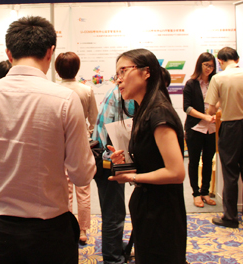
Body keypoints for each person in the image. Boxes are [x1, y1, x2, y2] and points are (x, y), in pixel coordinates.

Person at [0, 16, 95, 264]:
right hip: (50, 229)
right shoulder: (65, 99)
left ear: (8, 53)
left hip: (2, 227)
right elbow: (81, 175)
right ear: (50, 52)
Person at [109, 48, 186, 263]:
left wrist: (133, 177)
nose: (119, 79)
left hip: (162, 213)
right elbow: (152, 163)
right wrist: (126, 165)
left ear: (146, 72)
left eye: (124, 71)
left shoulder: (158, 112)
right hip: (148, 208)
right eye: (117, 74)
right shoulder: (144, 110)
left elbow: (176, 172)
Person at [205, 47, 243, 228]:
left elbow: (211, 110)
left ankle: (230, 217)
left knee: (230, 174)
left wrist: (222, 102)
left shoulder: (218, 78)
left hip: (230, 127)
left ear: (220, 61)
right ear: (237, 59)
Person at [55, 52, 98, 245]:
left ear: (57, 69)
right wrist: (87, 135)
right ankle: (83, 230)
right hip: (81, 142)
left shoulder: (54, 90)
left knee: (64, 188)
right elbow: (94, 119)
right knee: (83, 187)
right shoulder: (86, 90)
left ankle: (66, 226)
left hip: (58, 144)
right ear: (77, 68)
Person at [91, 85, 134, 264]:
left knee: (113, 210)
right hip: (109, 157)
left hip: (102, 154)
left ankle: (115, 248)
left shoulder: (117, 90)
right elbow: (124, 134)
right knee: (114, 213)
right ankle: (113, 258)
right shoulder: (126, 95)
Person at [183, 53, 217, 208]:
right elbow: (187, 107)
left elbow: (220, 101)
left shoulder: (215, 83)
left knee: (208, 161)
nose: (209, 68)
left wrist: (215, 114)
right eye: (206, 65)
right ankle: (196, 193)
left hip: (212, 128)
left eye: (212, 66)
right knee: (194, 161)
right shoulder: (191, 83)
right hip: (195, 128)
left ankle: (205, 192)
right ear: (200, 65)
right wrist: (205, 117)